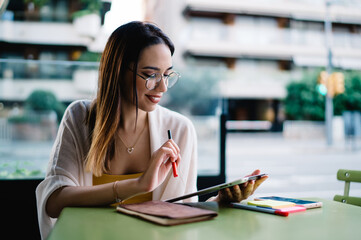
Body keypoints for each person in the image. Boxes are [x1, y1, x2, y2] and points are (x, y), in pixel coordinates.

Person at [36, 21, 267, 239]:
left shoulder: (180, 129)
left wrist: (218, 201)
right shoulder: (80, 117)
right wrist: (137, 186)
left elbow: (180, 212)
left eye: (167, 75)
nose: (163, 87)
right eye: (150, 75)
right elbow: (54, 200)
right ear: (117, 71)